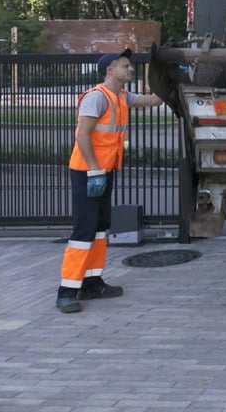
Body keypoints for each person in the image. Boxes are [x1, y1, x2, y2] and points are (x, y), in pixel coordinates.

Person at [56, 48, 163, 313]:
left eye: (130, 66)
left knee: (101, 227)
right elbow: (82, 136)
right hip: (87, 172)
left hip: (103, 171)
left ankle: (92, 282)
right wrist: (93, 170)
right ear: (109, 70)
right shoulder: (97, 97)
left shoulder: (122, 96)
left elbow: (154, 100)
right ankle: (67, 291)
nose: (130, 69)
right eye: (125, 66)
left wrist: (170, 77)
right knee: (84, 230)